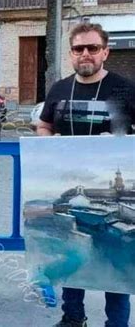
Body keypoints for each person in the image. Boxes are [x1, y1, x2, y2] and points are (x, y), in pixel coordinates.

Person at [37, 22, 135, 327]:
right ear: (71, 54)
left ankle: (116, 324)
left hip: (109, 189)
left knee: (117, 268)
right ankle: (73, 318)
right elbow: (44, 125)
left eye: (93, 48)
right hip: (71, 188)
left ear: (105, 51)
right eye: (79, 48)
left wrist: (119, 143)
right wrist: (46, 141)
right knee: (74, 256)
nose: (86, 54)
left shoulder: (125, 89)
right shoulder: (59, 89)